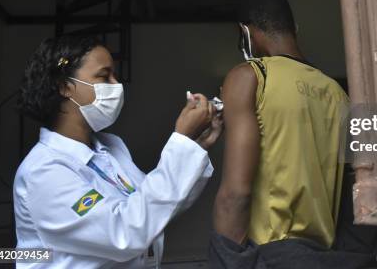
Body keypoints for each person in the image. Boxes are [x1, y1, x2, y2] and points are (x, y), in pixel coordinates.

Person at [14, 35, 222, 268]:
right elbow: (125, 233)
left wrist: (195, 146)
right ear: (65, 86)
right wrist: (181, 142)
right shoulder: (43, 172)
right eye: (104, 76)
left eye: (114, 76)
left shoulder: (111, 147)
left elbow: (156, 208)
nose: (116, 85)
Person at [210, 0, 376, 268]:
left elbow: (235, 195)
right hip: (328, 256)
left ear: (246, 33)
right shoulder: (338, 94)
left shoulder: (250, 77)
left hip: (272, 256)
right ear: (294, 29)